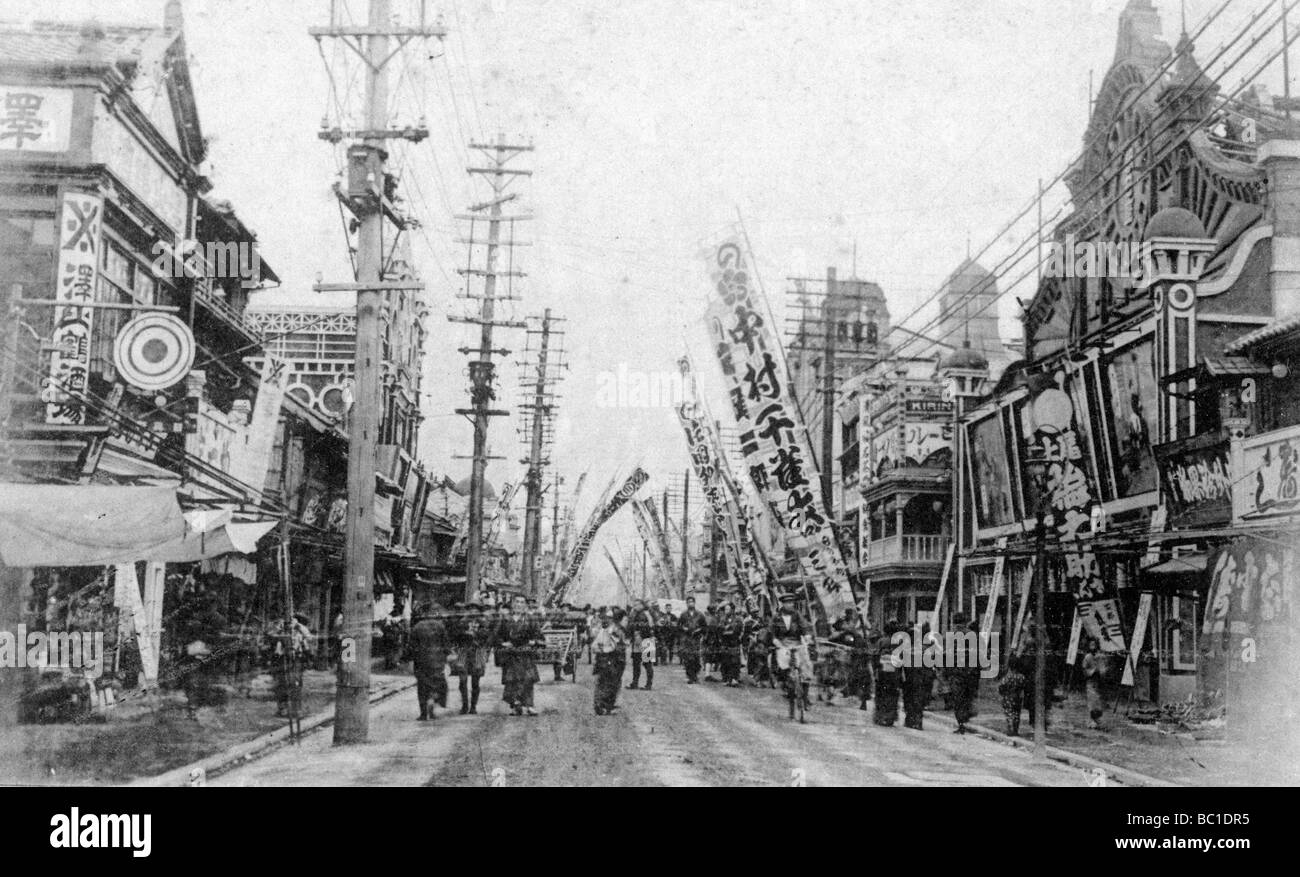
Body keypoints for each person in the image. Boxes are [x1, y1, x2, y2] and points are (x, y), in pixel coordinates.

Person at [497, 596, 542, 716]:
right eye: (517, 602)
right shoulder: (505, 619)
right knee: (512, 679)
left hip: (525, 652)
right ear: (512, 603)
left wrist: (534, 641)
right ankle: (515, 704)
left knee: (528, 678)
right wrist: (502, 643)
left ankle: (529, 705)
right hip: (511, 653)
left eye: (522, 602)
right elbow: (496, 635)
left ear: (525, 605)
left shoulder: (531, 619)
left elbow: (539, 636)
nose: (519, 604)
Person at [770, 592, 813, 717]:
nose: (790, 605)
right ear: (783, 604)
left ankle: (805, 697)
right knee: (784, 665)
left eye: (791, 603)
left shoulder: (797, 615)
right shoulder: (776, 617)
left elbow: (805, 627)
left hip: (797, 643)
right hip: (783, 644)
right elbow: (772, 633)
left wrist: (807, 636)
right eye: (787, 603)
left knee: (806, 667)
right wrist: (776, 641)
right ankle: (785, 684)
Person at [408, 604, 449, 721]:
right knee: (438, 684)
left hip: (421, 660)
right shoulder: (440, 626)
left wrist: (410, 660)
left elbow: (411, 646)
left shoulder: (417, 627)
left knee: (422, 686)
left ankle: (423, 713)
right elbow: (446, 644)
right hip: (437, 660)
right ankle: (433, 700)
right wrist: (446, 658)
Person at [944, 613, 980, 734]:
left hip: (956, 672)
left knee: (958, 698)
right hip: (971, 671)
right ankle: (966, 714)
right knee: (968, 696)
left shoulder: (950, 636)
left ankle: (961, 723)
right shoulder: (973, 635)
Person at [451, 605, 490, 715]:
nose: (473, 611)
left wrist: (476, 635)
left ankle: (473, 706)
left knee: (475, 681)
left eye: (476, 609)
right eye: (471, 608)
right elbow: (455, 634)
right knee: (462, 680)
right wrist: (465, 634)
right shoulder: (463, 621)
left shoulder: (483, 622)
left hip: (477, 652)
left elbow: (486, 635)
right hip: (464, 651)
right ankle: (464, 705)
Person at [591, 607, 628, 715]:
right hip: (612, 659)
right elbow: (616, 647)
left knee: (602, 682)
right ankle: (606, 705)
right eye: (625, 619)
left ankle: (600, 704)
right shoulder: (616, 630)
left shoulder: (605, 628)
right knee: (612, 682)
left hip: (602, 658)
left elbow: (595, 644)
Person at [873, 621, 901, 727]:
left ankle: (880, 716)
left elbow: (875, 656)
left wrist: (875, 668)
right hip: (894, 673)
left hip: (882, 673)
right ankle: (890, 716)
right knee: (892, 695)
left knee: (881, 694)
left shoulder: (881, 641)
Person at [627, 600, 656, 690]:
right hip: (642, 641)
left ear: (642, 605)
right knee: (640, 663)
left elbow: (646, 627)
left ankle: (645, 684)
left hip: (644, 640)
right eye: (634, 605)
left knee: (644, 663)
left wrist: (638, 635)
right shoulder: (637, 614)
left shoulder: (645, 614)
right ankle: (638, 683)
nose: (635, 606)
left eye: (636, 605)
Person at [677, 597, 707, 683]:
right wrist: (684, 629)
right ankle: (690, 676)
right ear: (686, 604)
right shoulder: (683, 615)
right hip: (686, 639)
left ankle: (695, 676)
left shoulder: (700, 614)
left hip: (696, 639)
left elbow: (704, 626)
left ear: (694, 603)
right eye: (689, 602)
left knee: (696, 658)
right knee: (687, 658)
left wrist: (699, 631)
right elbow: (678, 626)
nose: (691, 603)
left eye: (692, 602)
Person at [1081, 638, 1108, 730]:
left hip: (1099, 682)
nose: (1093, 647)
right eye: (1091, 645)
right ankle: (1093, 721)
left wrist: (1102, 671)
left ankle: (1097, 720)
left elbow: (1105, 667)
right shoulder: (1087, 657)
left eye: (1094, 645)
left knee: (1099, 702)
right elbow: (1084, 670)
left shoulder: (1101, 656)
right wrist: (1092, 671)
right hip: (1090, 681)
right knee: (1092, 702)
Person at [718, 603, 743, 687]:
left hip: (734, 643)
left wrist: (727, 629)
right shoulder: (722, 619)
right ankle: (726, 679)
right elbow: (720, 629)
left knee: (735, 661)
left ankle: (734, 679)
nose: (726, 611)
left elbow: (737, 630)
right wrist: (727, 629)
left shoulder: (737, 619)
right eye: (725, 609)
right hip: (725, 643)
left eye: (728, 609)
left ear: (732, 610)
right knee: (725, 661)